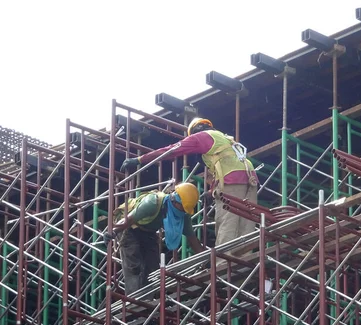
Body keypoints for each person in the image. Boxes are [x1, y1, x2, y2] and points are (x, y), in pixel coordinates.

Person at [120, 118, 258, 252]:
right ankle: (243, 260)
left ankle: (224, 265)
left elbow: (171, 150)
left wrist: (139, 159)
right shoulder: (225, 138)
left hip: (231, 181)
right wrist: (211, 191)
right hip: (250, 178)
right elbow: (224, 165)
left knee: (228, 222)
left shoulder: (201, 136)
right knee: (246, 223)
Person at [104, 182, 203, 296]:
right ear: (175, 200)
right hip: (129, 228)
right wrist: (113, 232)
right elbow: (129, 219)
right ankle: (134, 301)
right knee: (133, 264)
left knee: (153, 268)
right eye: (183, 208)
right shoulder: (153, 202)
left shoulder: (183, 216)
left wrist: (207, 258)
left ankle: (148, 299)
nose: (184, 211)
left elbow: (193, 240)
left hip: (148, 231)